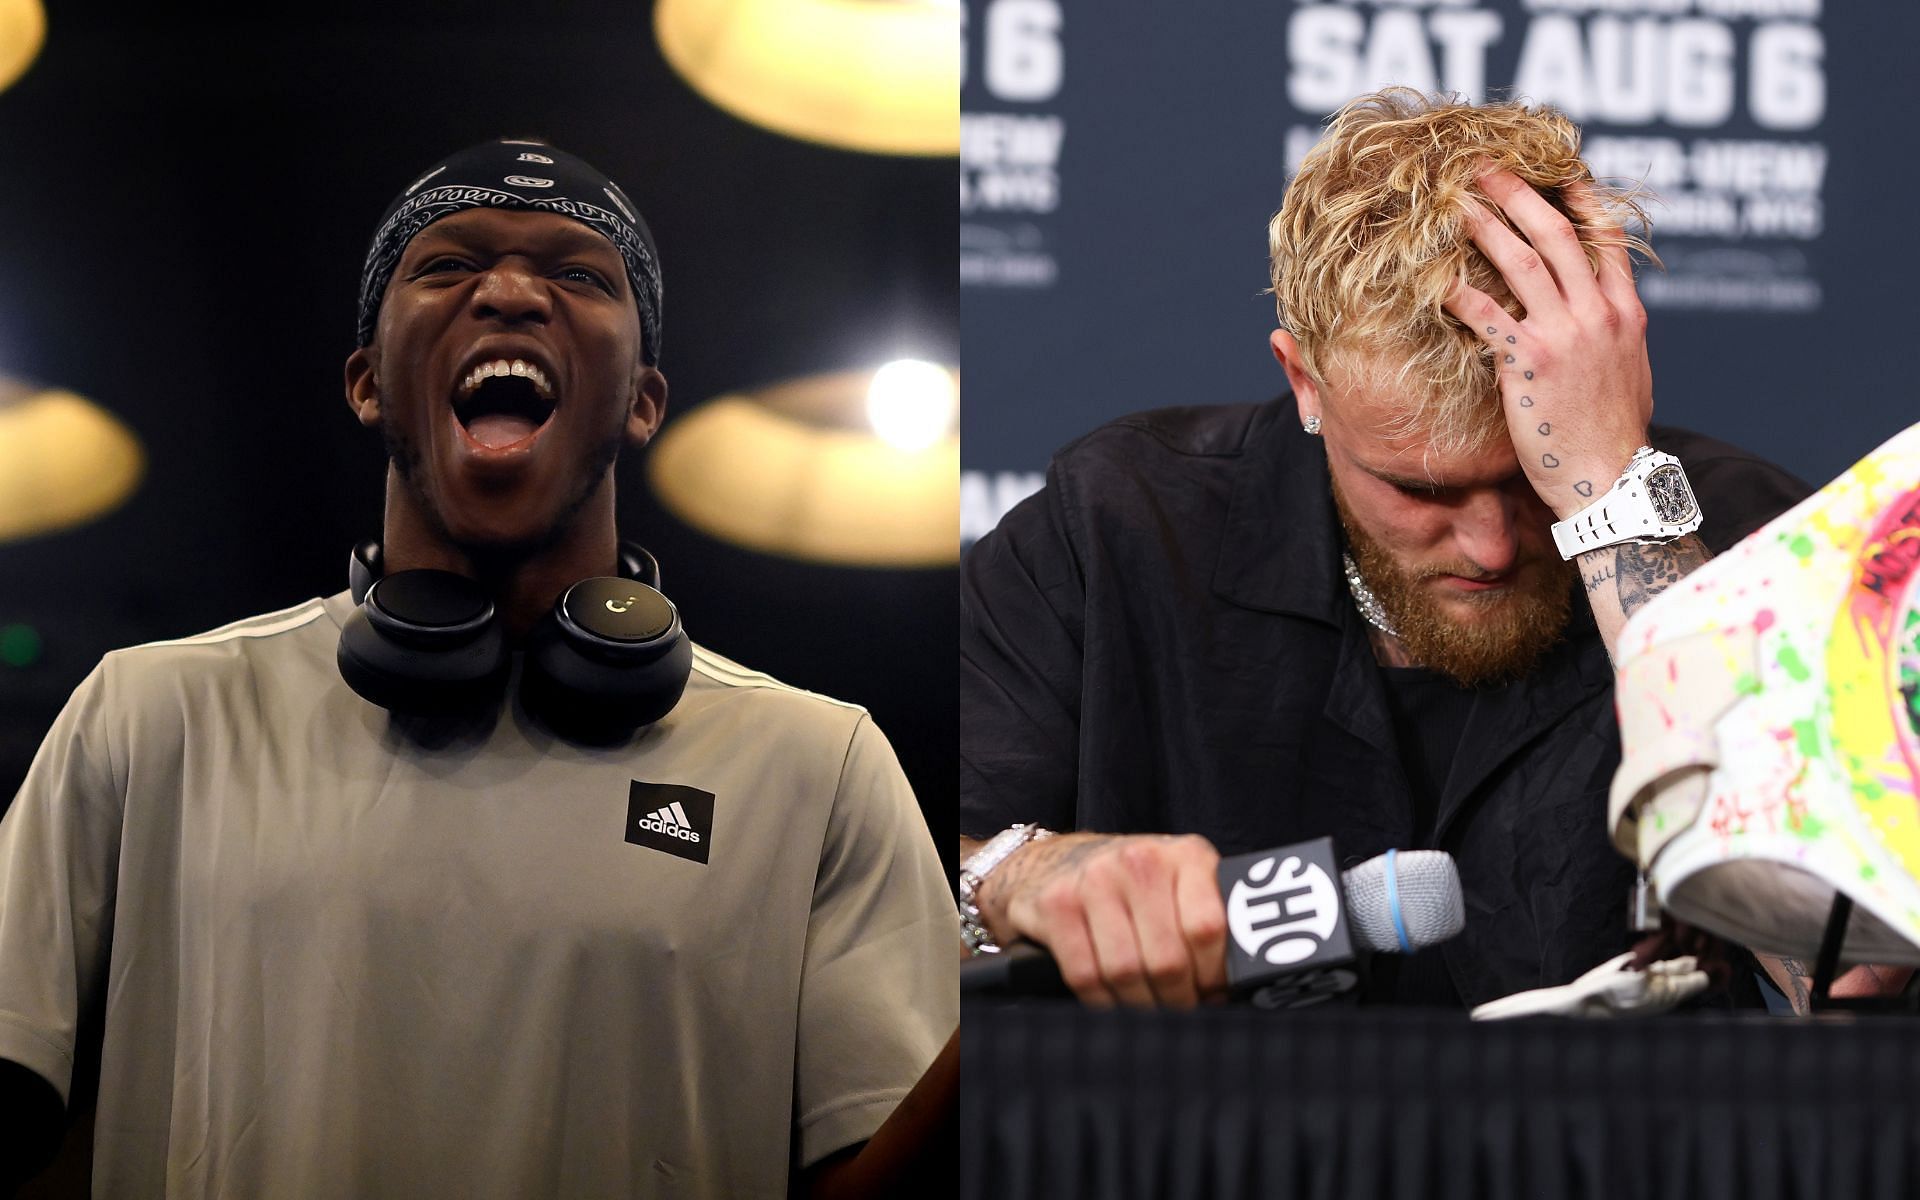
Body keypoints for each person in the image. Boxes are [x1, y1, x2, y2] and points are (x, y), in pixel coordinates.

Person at [0, 139, 956, 1197]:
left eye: (581, 275)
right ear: (367, 382)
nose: (508, 292)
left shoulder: (816, 767)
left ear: (643, 400)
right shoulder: (149, 716)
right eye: (448, 266)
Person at [957, 88, 1826, 1011]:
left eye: (1534, 480)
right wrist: (1018, 876)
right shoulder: (1117, 525)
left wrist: (1615, 498)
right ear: (1306, 384)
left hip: (1615, 1156)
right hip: (1194, 1155)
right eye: (1419, 488)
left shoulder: (1744, 542)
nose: (1490, 547)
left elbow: (1836, 965)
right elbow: (892, 883)